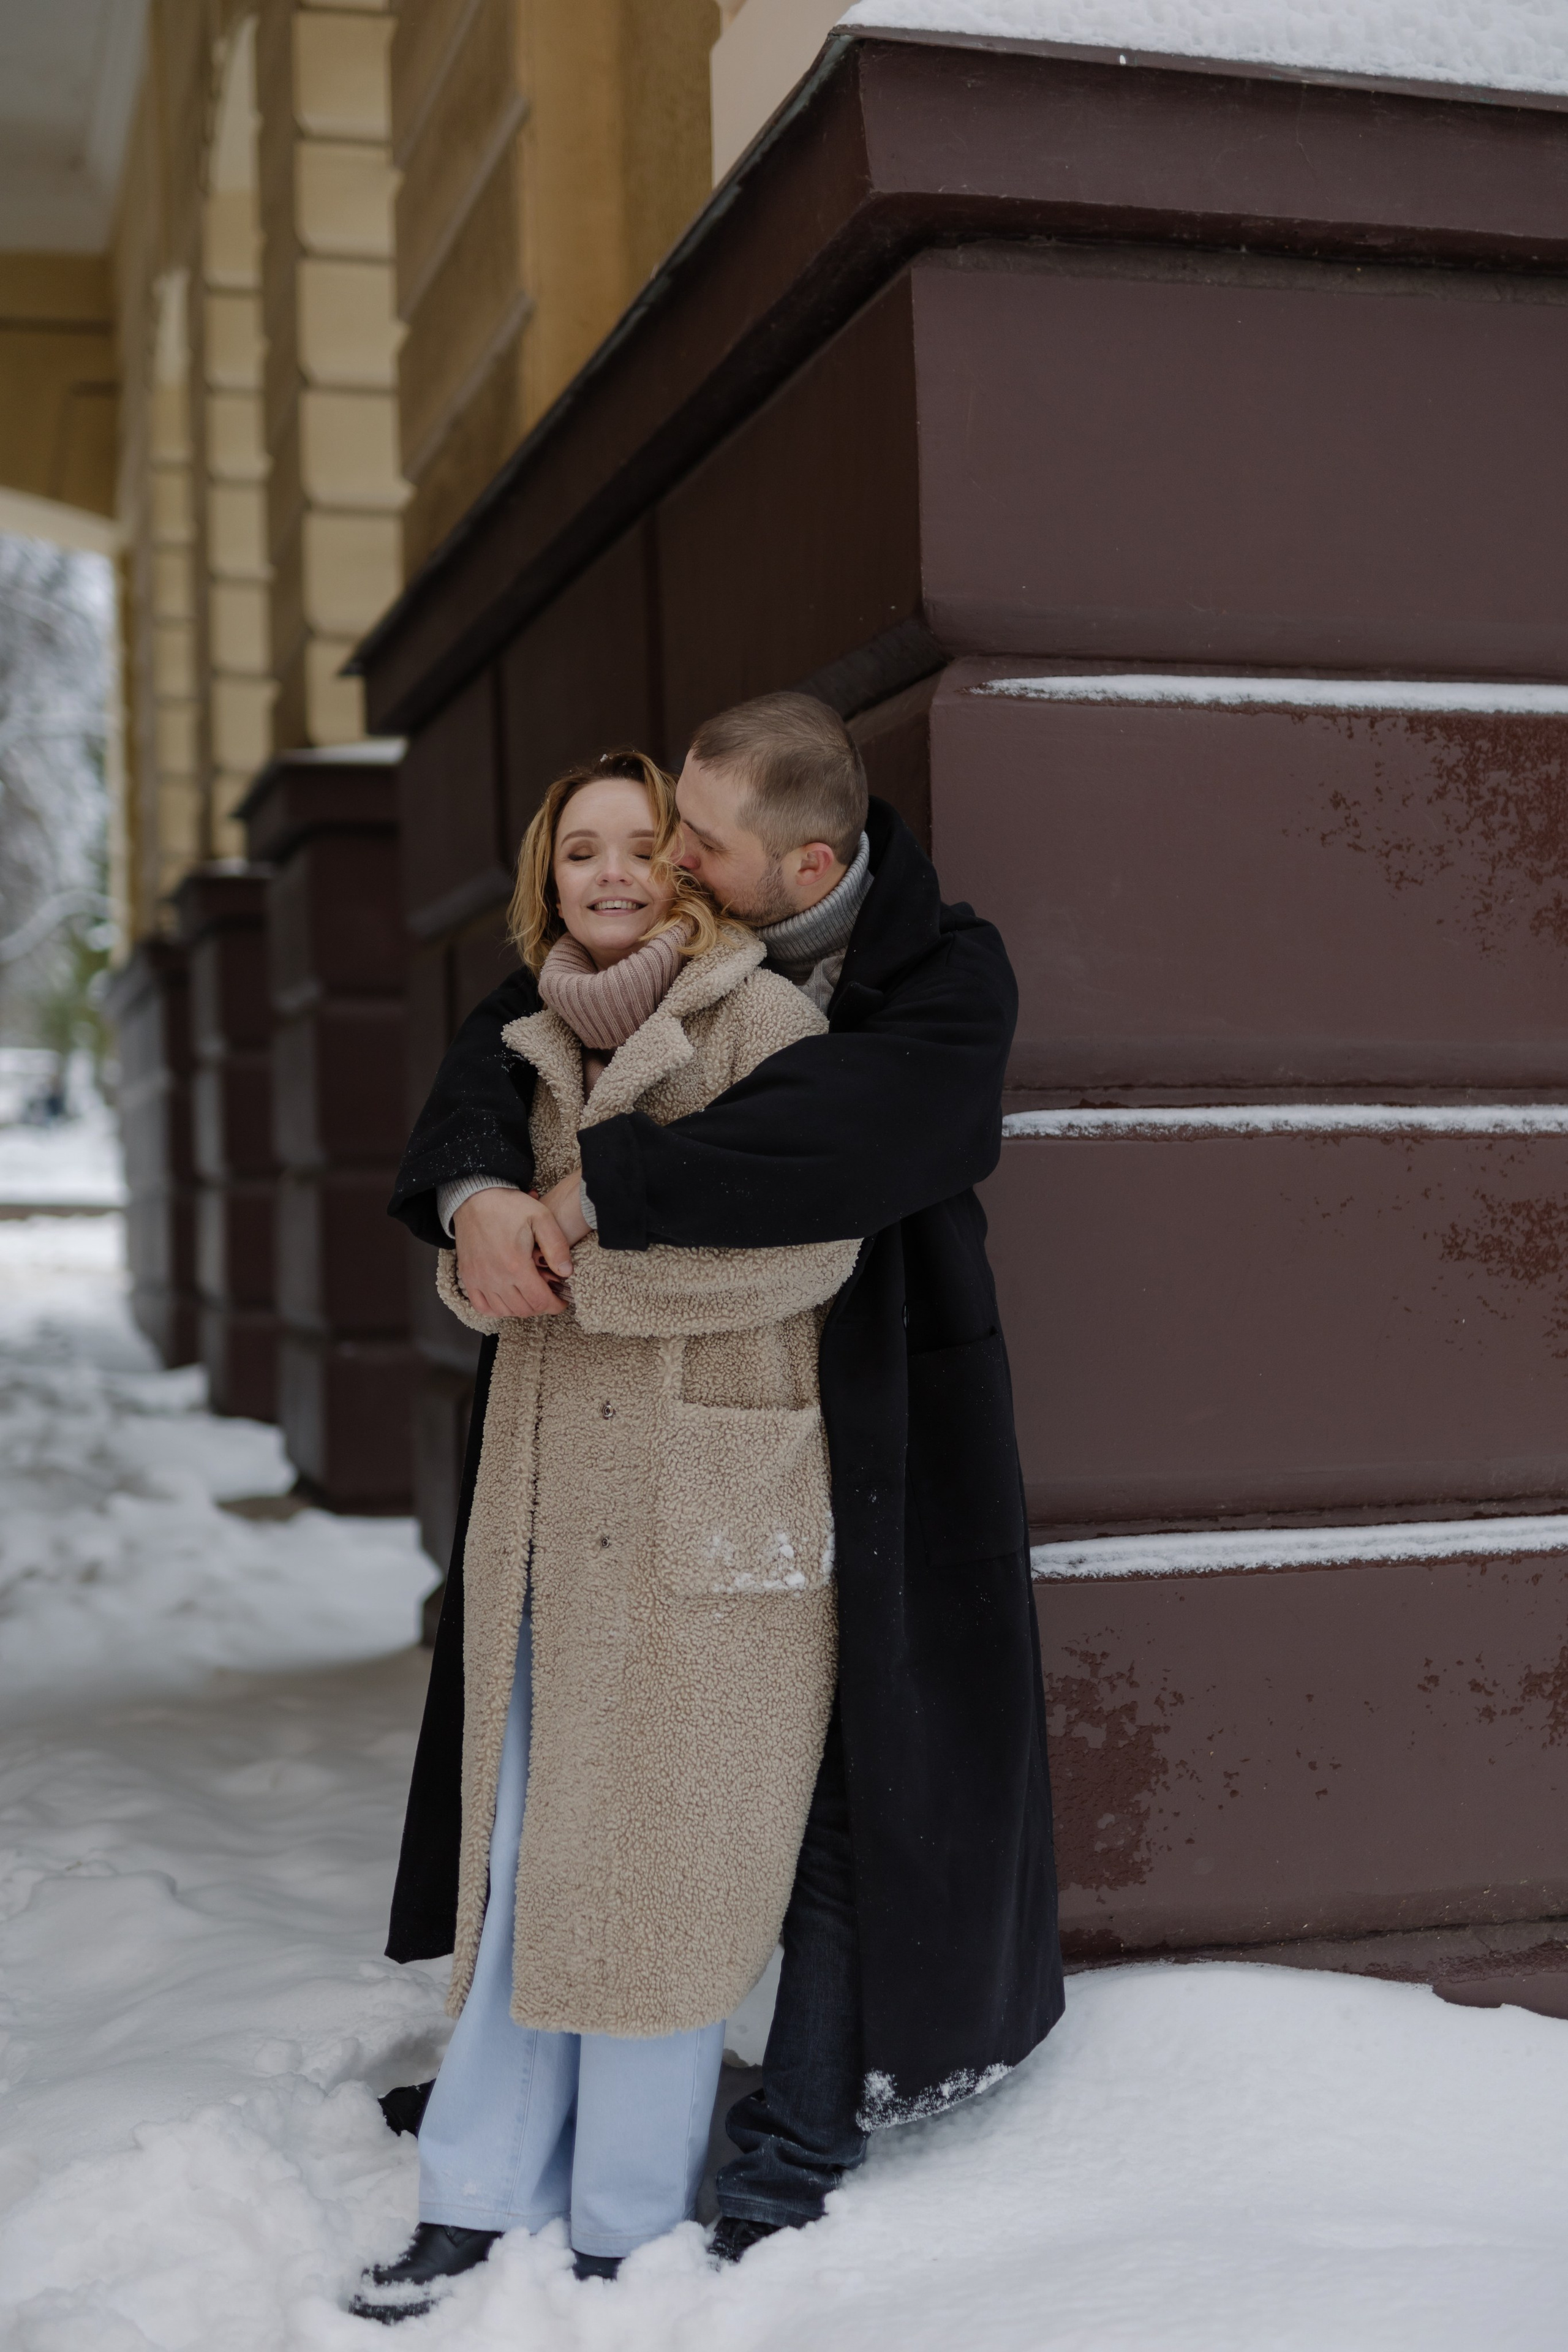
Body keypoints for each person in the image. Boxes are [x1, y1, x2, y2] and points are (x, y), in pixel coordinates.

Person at [385, 692, 1063, 2269]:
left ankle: (787, 2144)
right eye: (610, 842)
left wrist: (578, 1213)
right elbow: (488, 1078)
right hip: (627, 1450)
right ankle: (509, 2157)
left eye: (684, 840)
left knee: (830, 1798)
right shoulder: (601, 974)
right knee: (560, 1807)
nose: (651, 862)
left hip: (882, 1409)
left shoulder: (927, 975)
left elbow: (842, 1145)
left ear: (798, 860)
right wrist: (481, 1195)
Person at [352, 750, 859, 2321]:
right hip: (547, 1502)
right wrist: (484, 1256)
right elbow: (476, 1243)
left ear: (696, 870)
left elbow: (808, 1247)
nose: (615, 872)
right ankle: (473, 2192)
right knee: (520, 1853)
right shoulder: (520, 1040)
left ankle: (623, 2218)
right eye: (582, 850)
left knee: (663, 1863)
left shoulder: (765, 1021)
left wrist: (579, 1269)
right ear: (545, 877)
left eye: (645, 845)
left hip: (701, 1507)